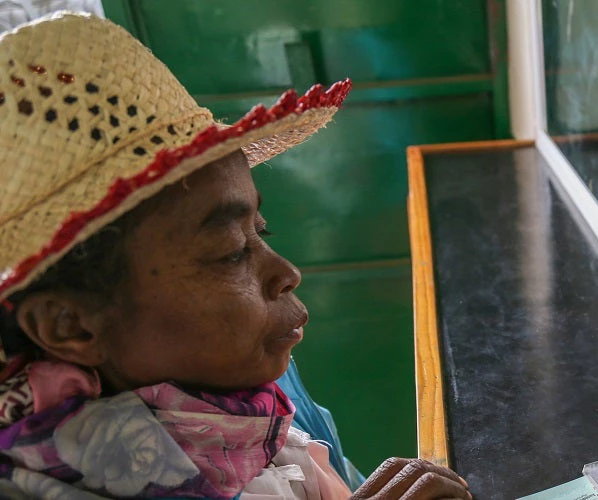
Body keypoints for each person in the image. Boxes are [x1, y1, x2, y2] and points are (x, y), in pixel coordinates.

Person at [0, 13, 469, 499]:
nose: (287, 273)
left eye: (261, 231)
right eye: (229, 253)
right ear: (69, 325)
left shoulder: (246, 397)